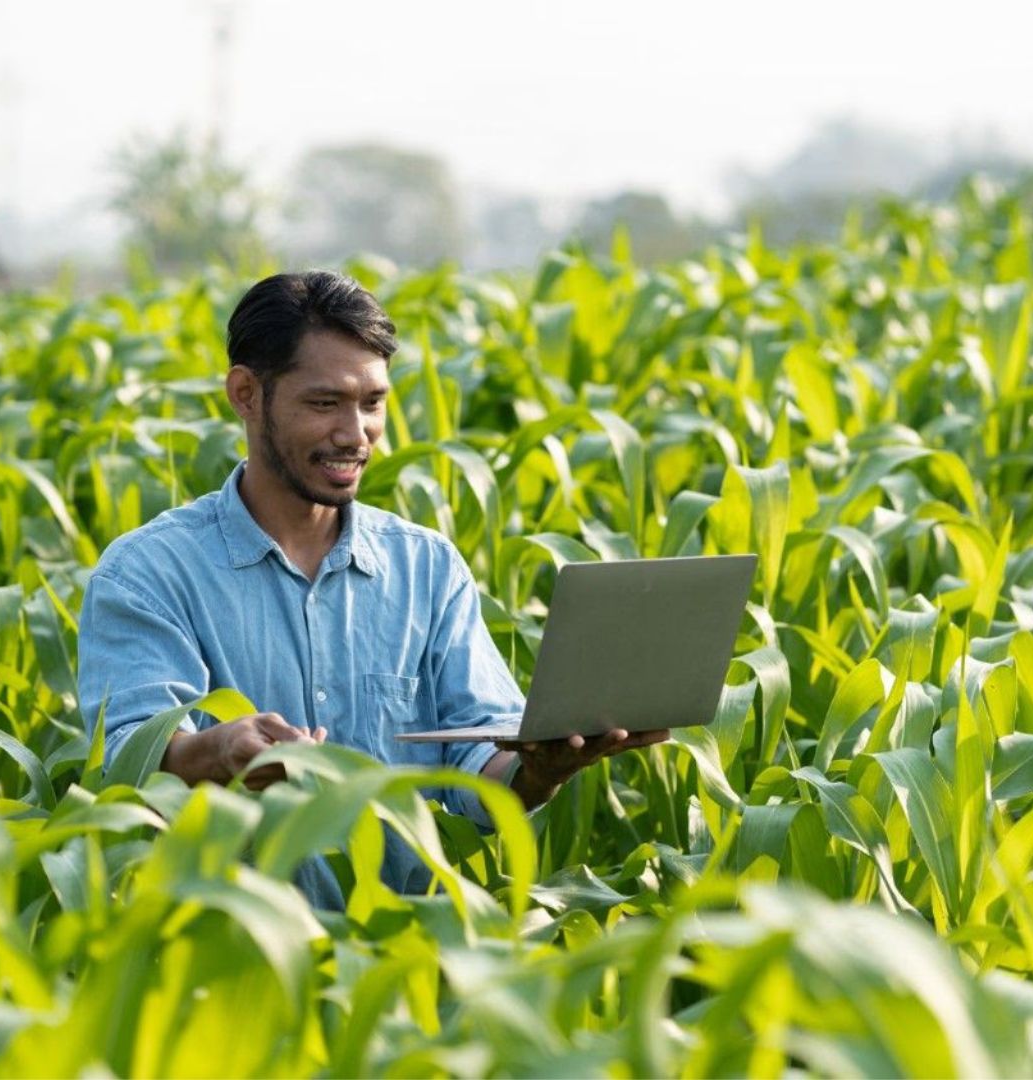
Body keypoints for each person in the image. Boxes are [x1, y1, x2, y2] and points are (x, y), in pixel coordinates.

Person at [76, 270, 666, 906]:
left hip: (406, 955)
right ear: (246, 394)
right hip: (231, 954)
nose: (355, 434)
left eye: (373, 404)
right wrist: (218, 751)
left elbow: (475, 763)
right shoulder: (149, 573)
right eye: (324, 404)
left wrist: (540, 770)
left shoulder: (428, 568)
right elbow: (131, 760)